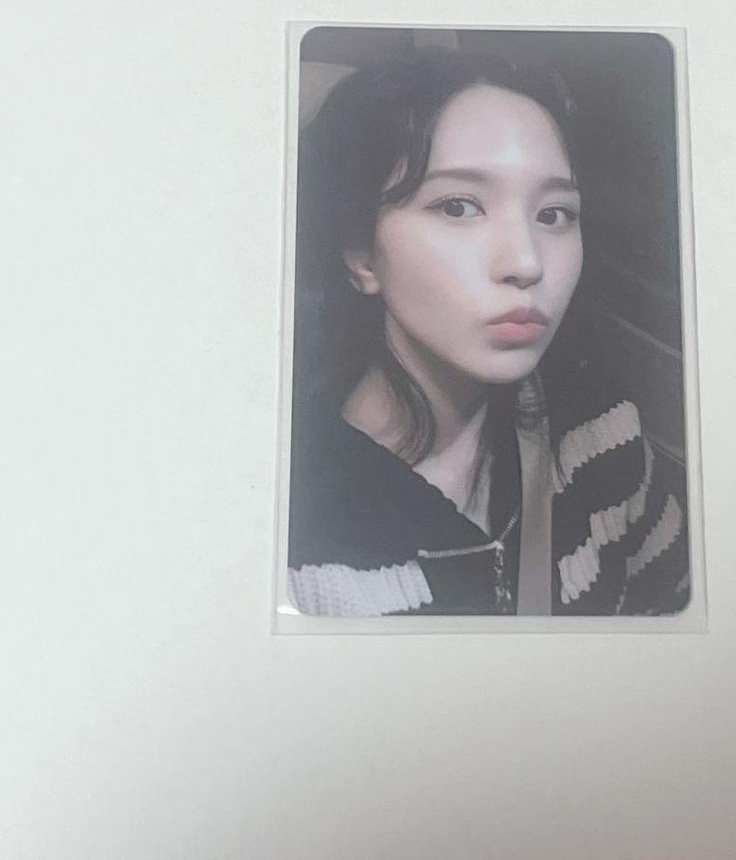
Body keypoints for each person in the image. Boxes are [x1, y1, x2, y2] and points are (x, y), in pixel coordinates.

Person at [287, 46, 689, 616]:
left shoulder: (600, 432)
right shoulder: (297, 549)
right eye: (458, 207)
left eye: (553, 214)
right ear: (362, 256)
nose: (527, 262)